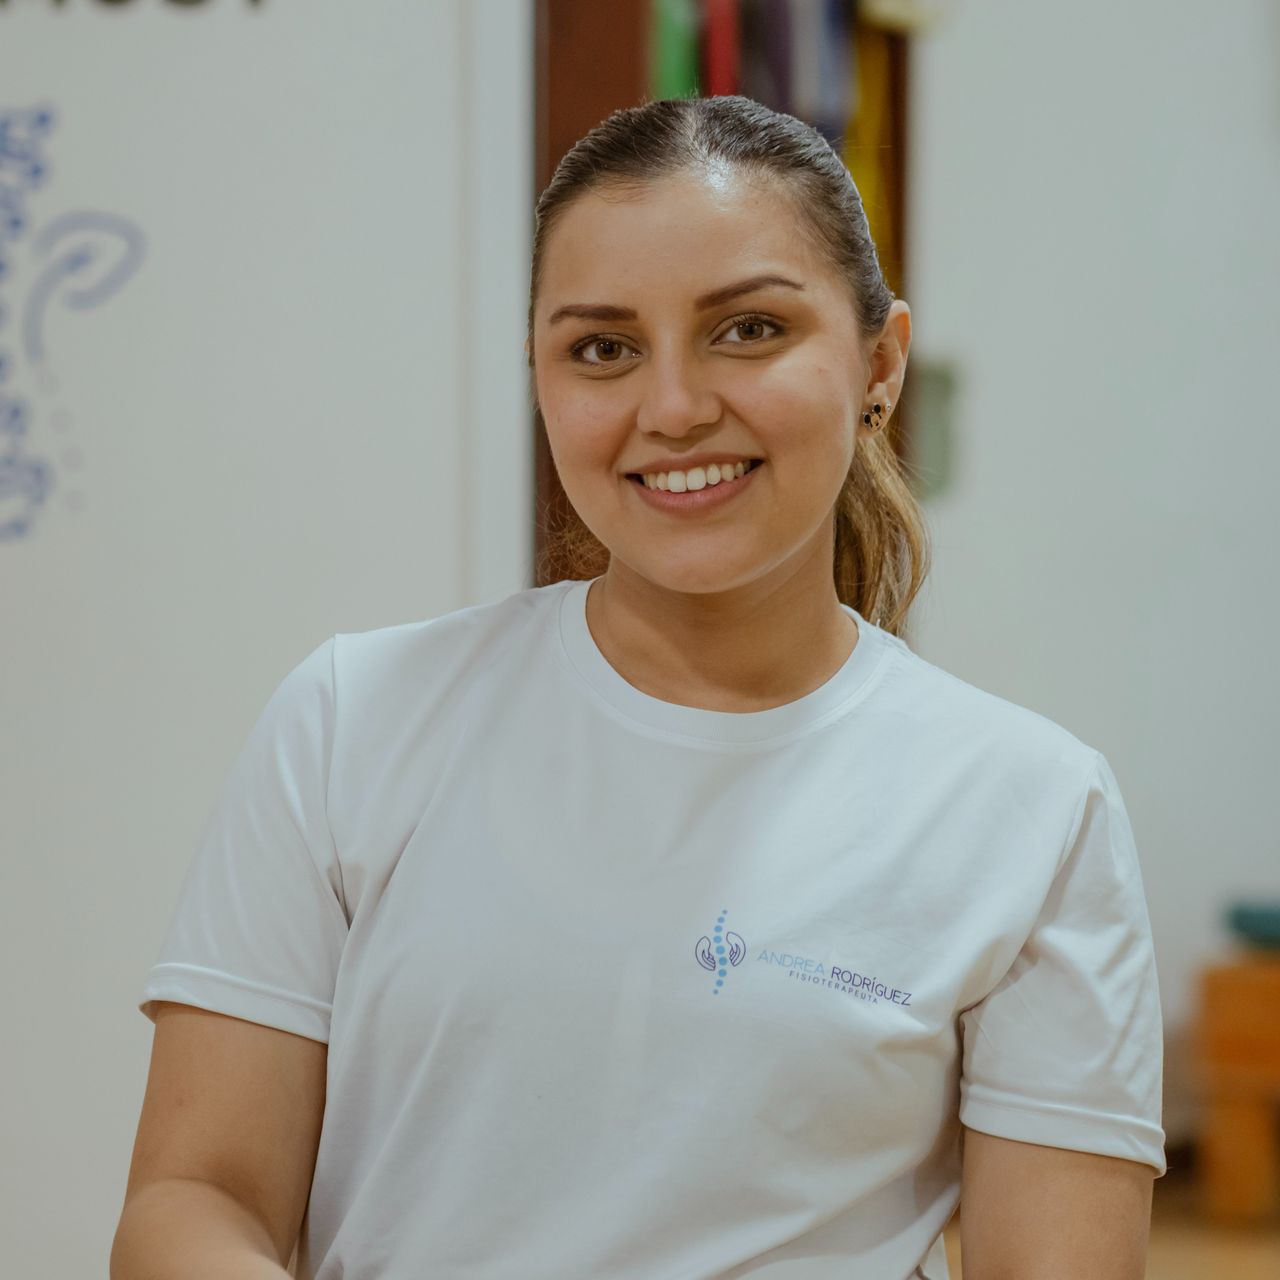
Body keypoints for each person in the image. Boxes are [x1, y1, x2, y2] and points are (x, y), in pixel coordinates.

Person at [118, 97, 1165, 1280]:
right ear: (539, 375)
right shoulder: (351, 720)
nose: (671, 408)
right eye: (602, 349)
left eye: (748, 329)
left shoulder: (1032, 808)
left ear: (878, 363)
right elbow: (194, 1196)